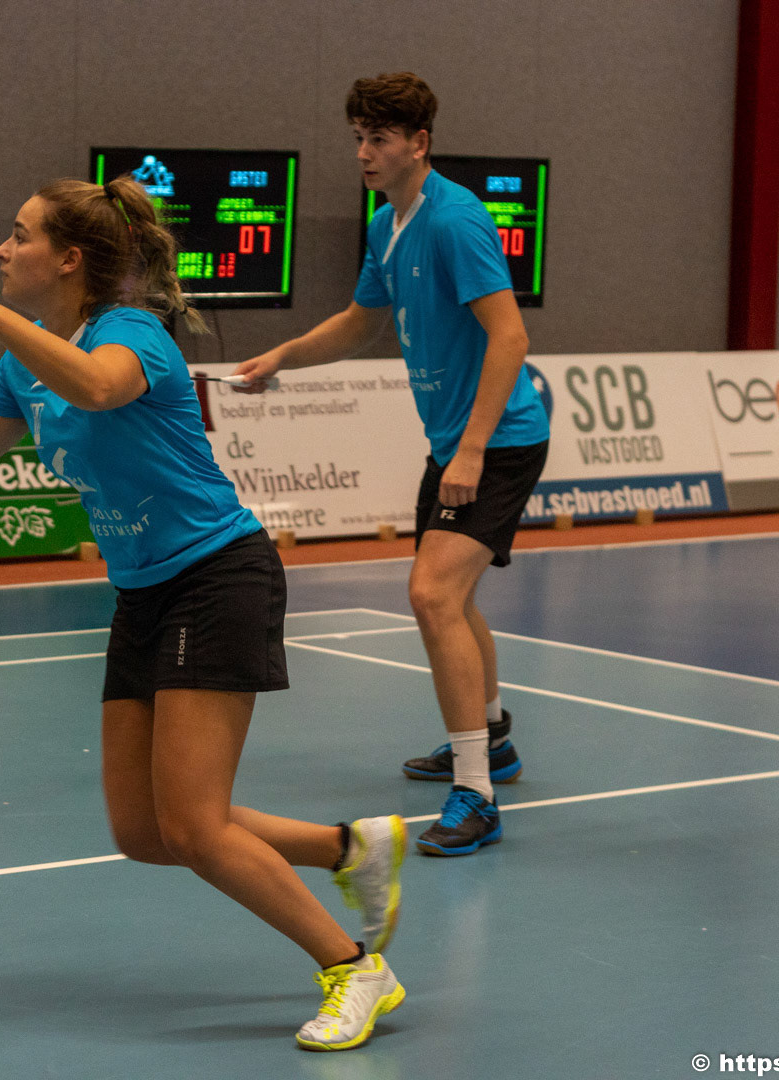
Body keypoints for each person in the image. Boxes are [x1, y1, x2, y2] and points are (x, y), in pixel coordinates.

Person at [0, 174, 406, 1051]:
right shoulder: (24, 363)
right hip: (144, 591)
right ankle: (350, 848)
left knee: (194, 826)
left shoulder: (133, 334)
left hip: (217, 576)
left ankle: (354, 967)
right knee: (146, 831)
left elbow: (95, 388)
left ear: (69, 260)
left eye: (19, 235)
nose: (1, 249)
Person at [234, 72, 550, 857]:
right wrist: (282, 356)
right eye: (358, 138)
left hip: (498, 441)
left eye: (378, 138)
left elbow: (510, 336)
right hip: (454, 442)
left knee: (431, 593)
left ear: (419, 143)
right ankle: (493, 740)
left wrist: (471, 449)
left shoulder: (456, 221)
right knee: (453, 597)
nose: (363, 153)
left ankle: (476, 795)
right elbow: (357, 324)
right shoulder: (387, 224)